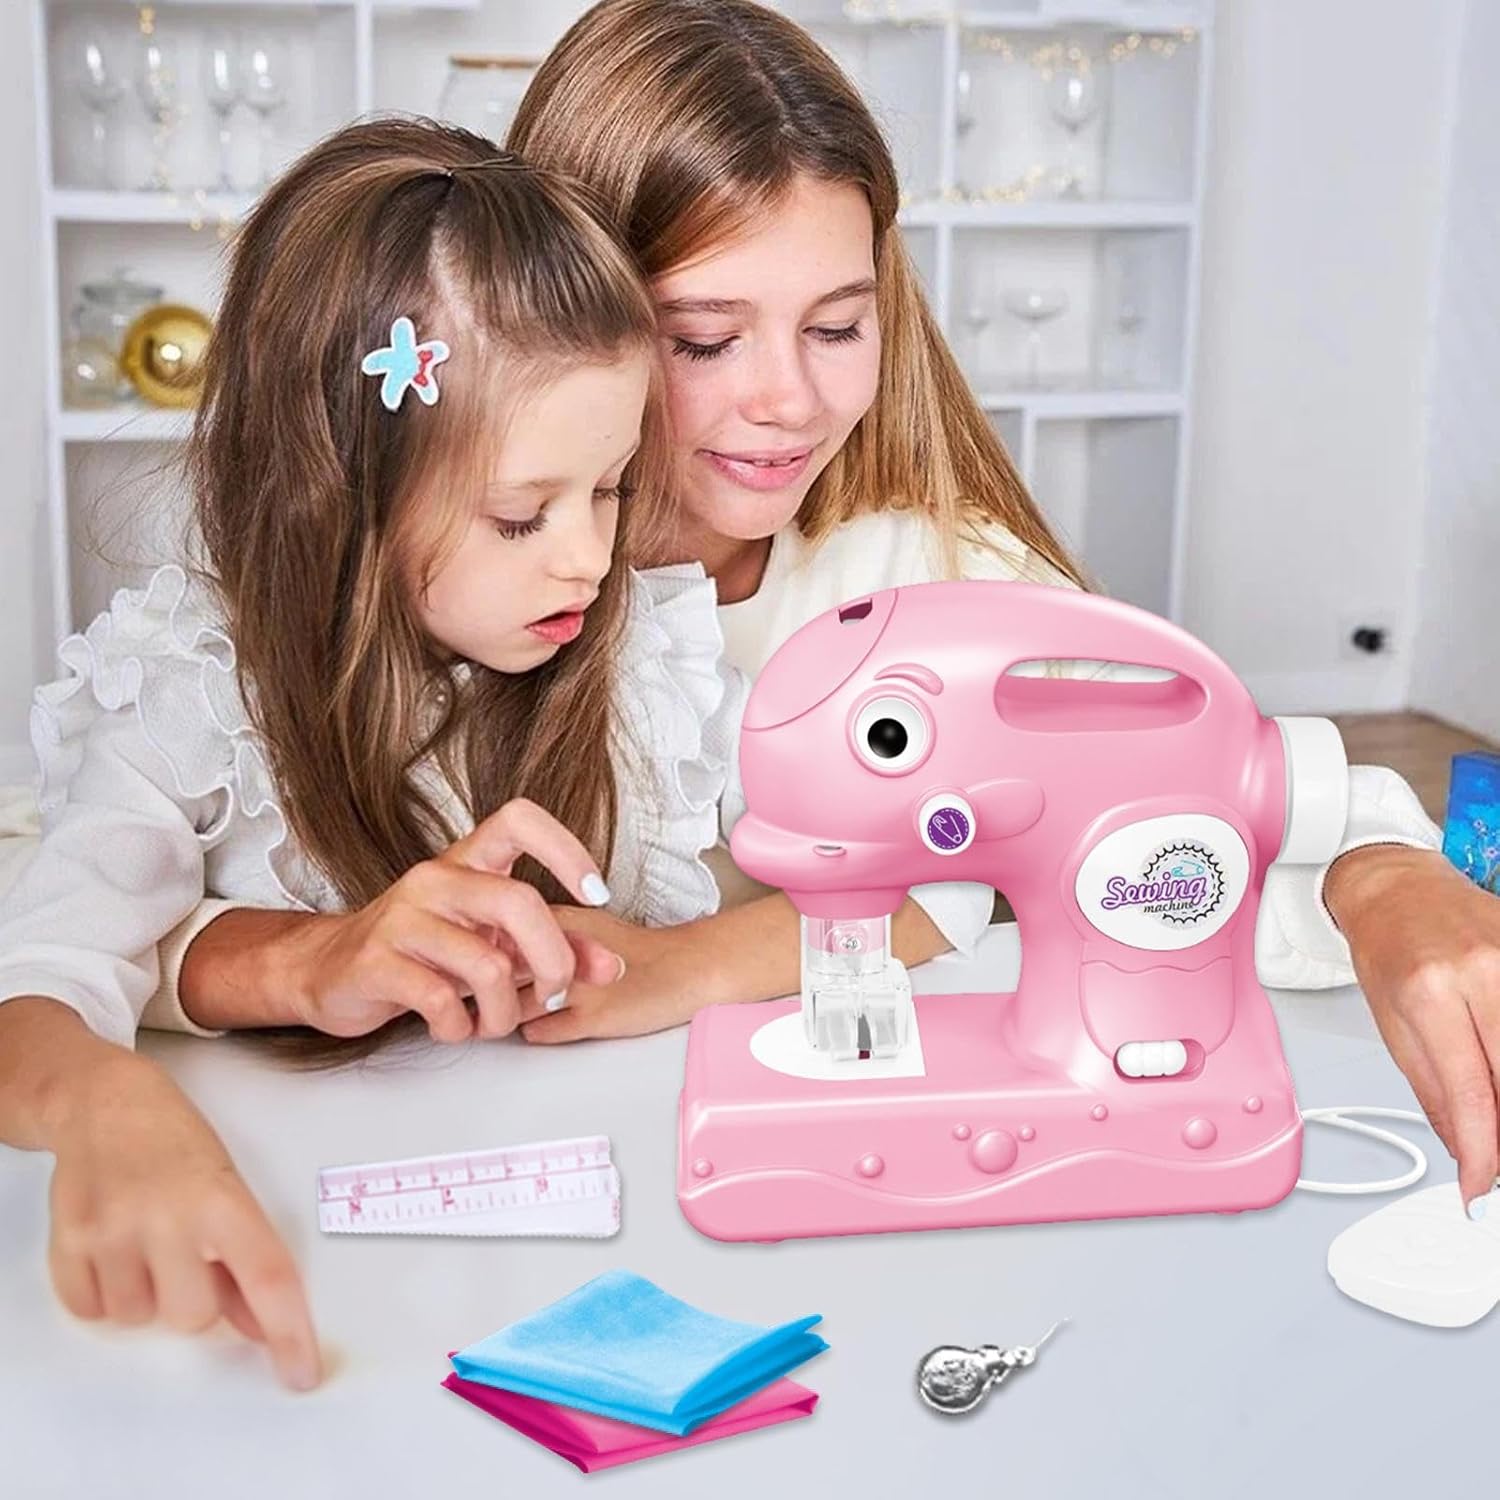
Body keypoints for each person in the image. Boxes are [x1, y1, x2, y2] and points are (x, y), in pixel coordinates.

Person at [175, 6, 1500, 1213]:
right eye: (704, 339)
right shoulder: (422, 587)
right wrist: (305, 961)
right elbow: (111, 918)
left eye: (836, 326)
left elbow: (1209, 783)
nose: (790, 402)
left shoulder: (929, 577)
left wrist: (1385, 879)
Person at [0, 116, 746, 1388]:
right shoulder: (193, 692)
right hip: (332, 1277)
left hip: (589, 1269)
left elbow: (882, 885)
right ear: (340, 488)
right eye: (521, 515)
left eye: (611, 488)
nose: (587, 557)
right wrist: (109, 1106)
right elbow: (38, 981)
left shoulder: (644, 664)